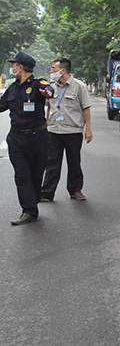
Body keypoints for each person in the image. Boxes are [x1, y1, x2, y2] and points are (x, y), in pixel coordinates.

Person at [1, 52, 54, 225]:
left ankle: (33, 200)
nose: (12, 68)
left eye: (13, 65)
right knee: (22, 175)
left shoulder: (38, 84)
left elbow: (49, 90)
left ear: (21, 67)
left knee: (36, 174)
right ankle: (29, 210)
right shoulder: (13, 88)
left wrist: (48, 93)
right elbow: (1, 105)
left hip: (37, 137)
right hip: (16, 138)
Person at [40, 58, 93, 203]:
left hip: (73, 131)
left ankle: (75, 190)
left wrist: (88, 129)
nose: (51, 71)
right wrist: (46, 125)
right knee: (52, 162)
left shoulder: (79, 86)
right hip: (54, 130)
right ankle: (47, 192)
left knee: (74, 162)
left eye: (53, 69)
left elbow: (86, 108)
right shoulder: (51, 86)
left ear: (62, 70)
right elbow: (49, 107)